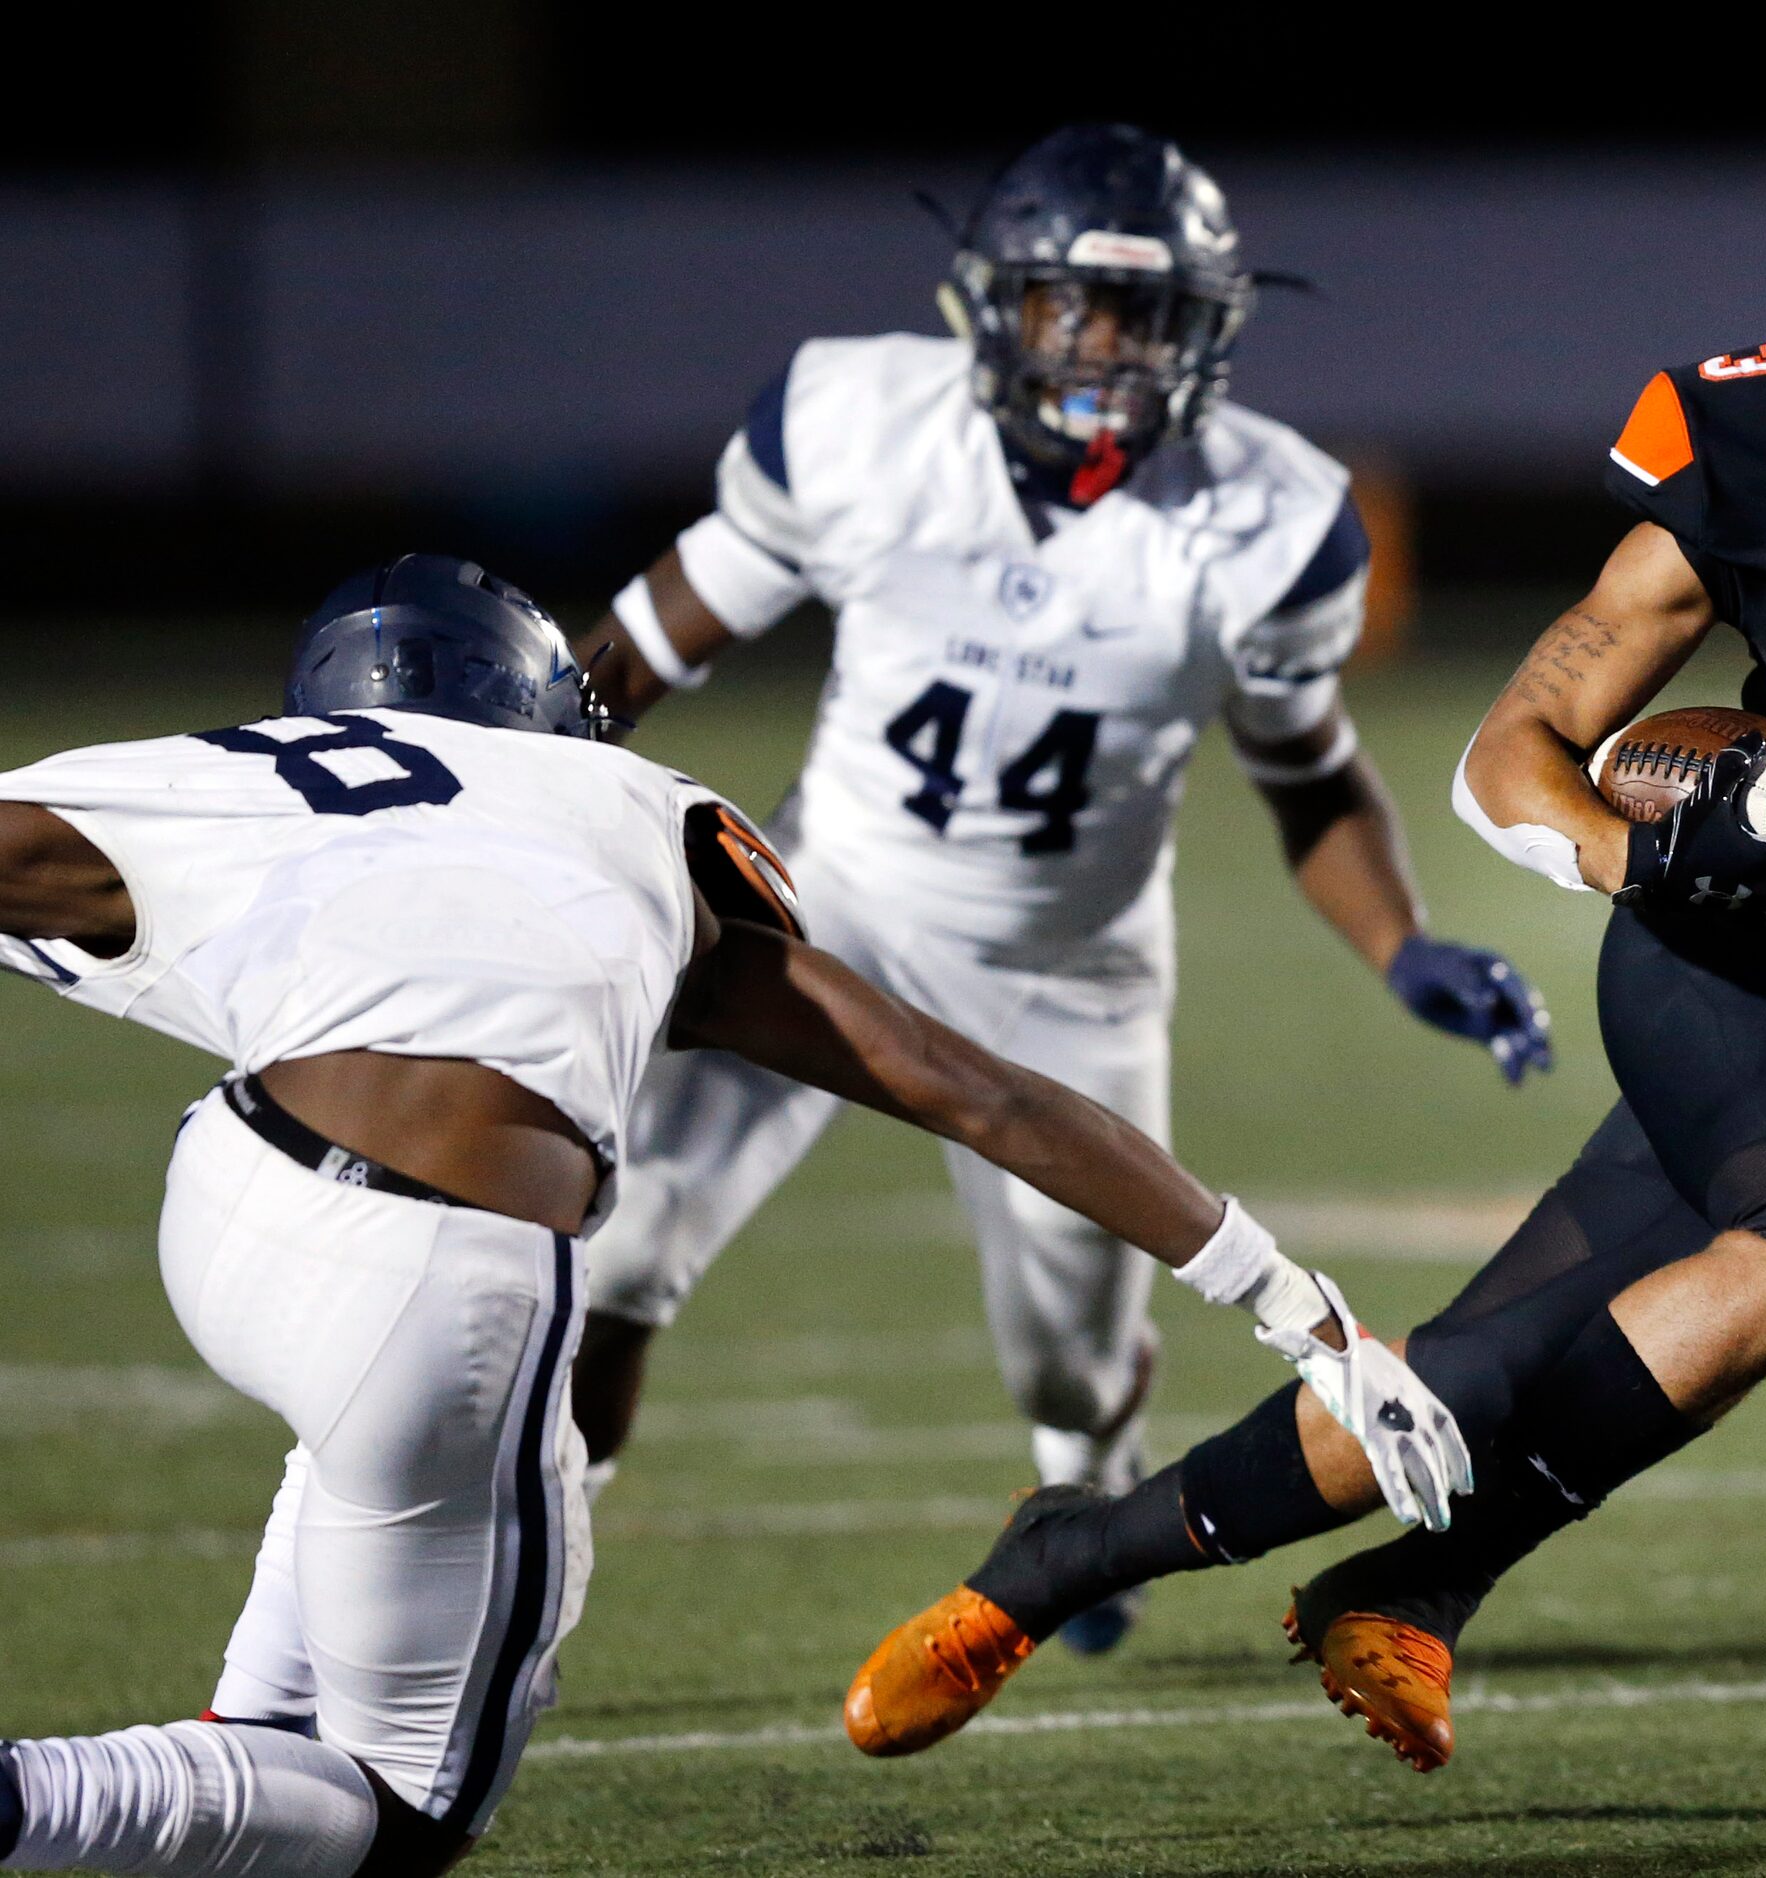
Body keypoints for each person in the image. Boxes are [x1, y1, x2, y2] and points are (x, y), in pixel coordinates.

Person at [838, 102, 1766, 1775]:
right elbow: (1510, 752)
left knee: (1487, 1364)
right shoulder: (1763, 445)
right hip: (1748, 934)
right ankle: (1426, 1580)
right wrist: (1650, 859)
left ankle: (1063, 1560)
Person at [0, 558, 1461, 1878]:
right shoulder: (629, 807)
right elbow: (979, 1093)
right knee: (397, 1810)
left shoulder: (214, 776)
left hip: (228, 1201)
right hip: (434, 1268)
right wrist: (1298, 1305)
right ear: (544, 708)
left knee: (333, 1598)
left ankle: (229, 1738)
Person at [561, 124, 1544, 1655]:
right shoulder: (859, 421)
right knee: (618, 1242)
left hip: (1068, 962)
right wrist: (500, 775)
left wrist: (1399, 940)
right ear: (989, 305)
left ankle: (1074, 1493)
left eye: (1146, 315)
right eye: (1071, 307)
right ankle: (538, 1533)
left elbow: (1305, 768)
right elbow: (641, 648)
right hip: (827, 900)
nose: (1106, 350)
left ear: (1204, 331)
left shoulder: (1271, 519)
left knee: (1072, 1364)